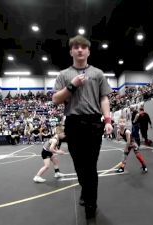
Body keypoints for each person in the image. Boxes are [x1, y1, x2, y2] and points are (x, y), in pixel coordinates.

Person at [52, 35, 113, 219]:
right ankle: (86, 190)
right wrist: (73, 85)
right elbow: (56, 99)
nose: (79, 50)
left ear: (88, 51)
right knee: (80, 166)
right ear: (71, 51)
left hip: (94, 122)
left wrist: (108, 121)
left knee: (91, 165)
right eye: (76, 47)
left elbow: (104, 98)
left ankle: (90, 205)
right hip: (73, 123)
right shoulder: (64, 75)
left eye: (83, 47)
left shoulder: (98, 73)